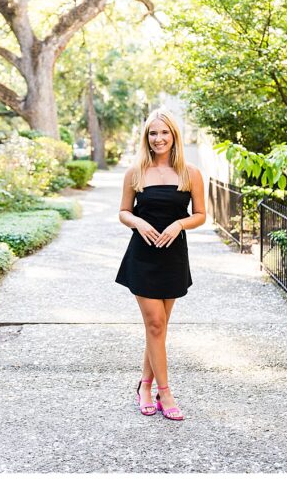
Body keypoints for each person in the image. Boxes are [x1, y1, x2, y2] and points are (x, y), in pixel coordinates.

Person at [115, 109, 206, 421]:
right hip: (142, 256)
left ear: (174, 136)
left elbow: (201, 214)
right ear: (146, 138)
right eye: (153, 133)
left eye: (164, 133)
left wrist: (180, 225)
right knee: (155, 324)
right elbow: (124, 211)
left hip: (173, 256)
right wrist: (138, 222)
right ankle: (164, 392)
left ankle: (144, 385)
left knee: (159, 329)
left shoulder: (190, 172)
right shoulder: (136, 172)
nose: (159, 139)